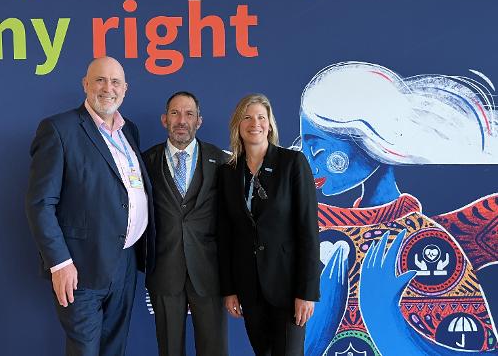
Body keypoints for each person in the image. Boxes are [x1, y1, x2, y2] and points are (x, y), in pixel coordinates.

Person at [298, 61, 498, 355]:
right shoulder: (313, 230)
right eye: (303, 144)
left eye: (317, 146)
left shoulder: (425, 240)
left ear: (369, 139)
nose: (306, 158)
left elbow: (479, 349)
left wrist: (384, 318)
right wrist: (318, 331)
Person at [25, 56, 155, 356]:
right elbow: (40, 203)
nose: (108, 88)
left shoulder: (129, 131)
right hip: (80, 266)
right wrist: (60, 263)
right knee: (85, 350)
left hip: (124, 262)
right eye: (100, 80)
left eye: (115, 82)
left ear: (125, 89)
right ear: (85, 84)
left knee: (114, 349)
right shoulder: (59, 129)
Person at [217, 93, 320, 356]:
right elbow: (226, 235)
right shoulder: (228, 173)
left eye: (261, 117)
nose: (255, 124)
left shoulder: (292, 163)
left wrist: (307, 292)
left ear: (270, 124)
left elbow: (308, 232)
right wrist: (229, 289)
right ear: (238, 125)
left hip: (288, 289)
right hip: (249, 289)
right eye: (247, 117)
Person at [142, 91, 228, 356]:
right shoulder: (145, 162)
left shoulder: (221, 161)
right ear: (164, 119)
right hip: (164, 271)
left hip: (209, 273)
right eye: (175, 113)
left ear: (198, 121)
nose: (182, 120)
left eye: (189, 114)